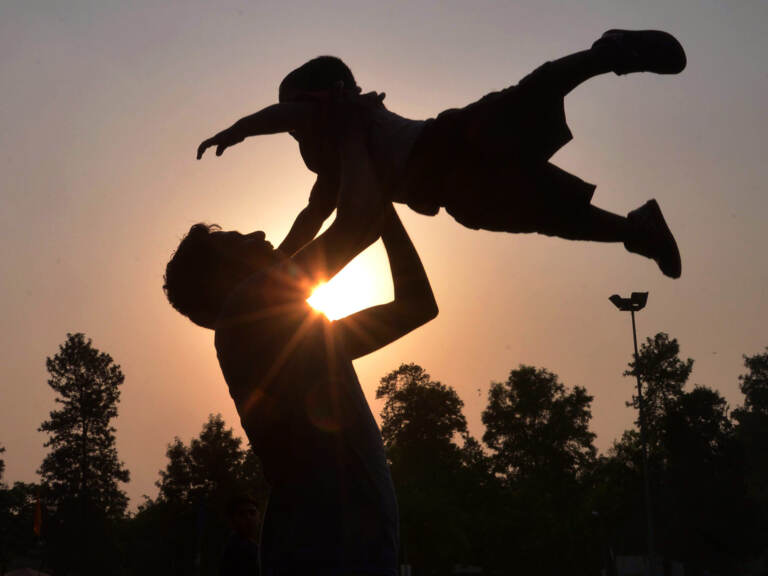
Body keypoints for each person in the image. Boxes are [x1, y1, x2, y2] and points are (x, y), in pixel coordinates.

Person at [164, 123, 438, 575]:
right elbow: (356, 224)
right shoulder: (247, 308)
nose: (255, 233)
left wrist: (377, 198)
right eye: (237, 239)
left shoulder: (295, 341)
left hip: (340, 548)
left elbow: (416, 305)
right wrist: (354, 135)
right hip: (323, 550)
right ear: (225, 278)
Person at [197, 29, 686, 278]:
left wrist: (238, 129)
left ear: (333, 93)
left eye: (296, 114)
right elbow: (311, 217)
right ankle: (635, 229)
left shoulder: (344, 115)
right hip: (457, 192)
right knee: (546, 211)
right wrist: (280, 262)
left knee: (524, 102)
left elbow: (285, 118)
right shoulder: (338, 169)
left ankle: (607, 54)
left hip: (448, 143)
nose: (296, 132)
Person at [220, 494, 262, 576]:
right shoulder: (238, 549)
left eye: (252, 513)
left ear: (259, 516)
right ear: (232, 521)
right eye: (242, 514)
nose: (248, 517)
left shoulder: (253, 545)